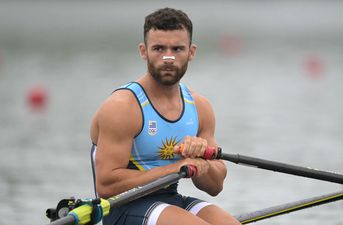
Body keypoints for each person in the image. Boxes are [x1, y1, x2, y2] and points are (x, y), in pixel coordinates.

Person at [90, 7, 241, 225]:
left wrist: (199, 161)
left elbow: (216, 185)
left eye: (177, 49)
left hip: (171, 200)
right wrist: (176, 167)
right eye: (159, 48)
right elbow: (106, 185)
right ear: (144, 51)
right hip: (122, 208)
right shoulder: (122, 107)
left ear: (191, 52)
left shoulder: (200, 107)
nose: (168, 58)